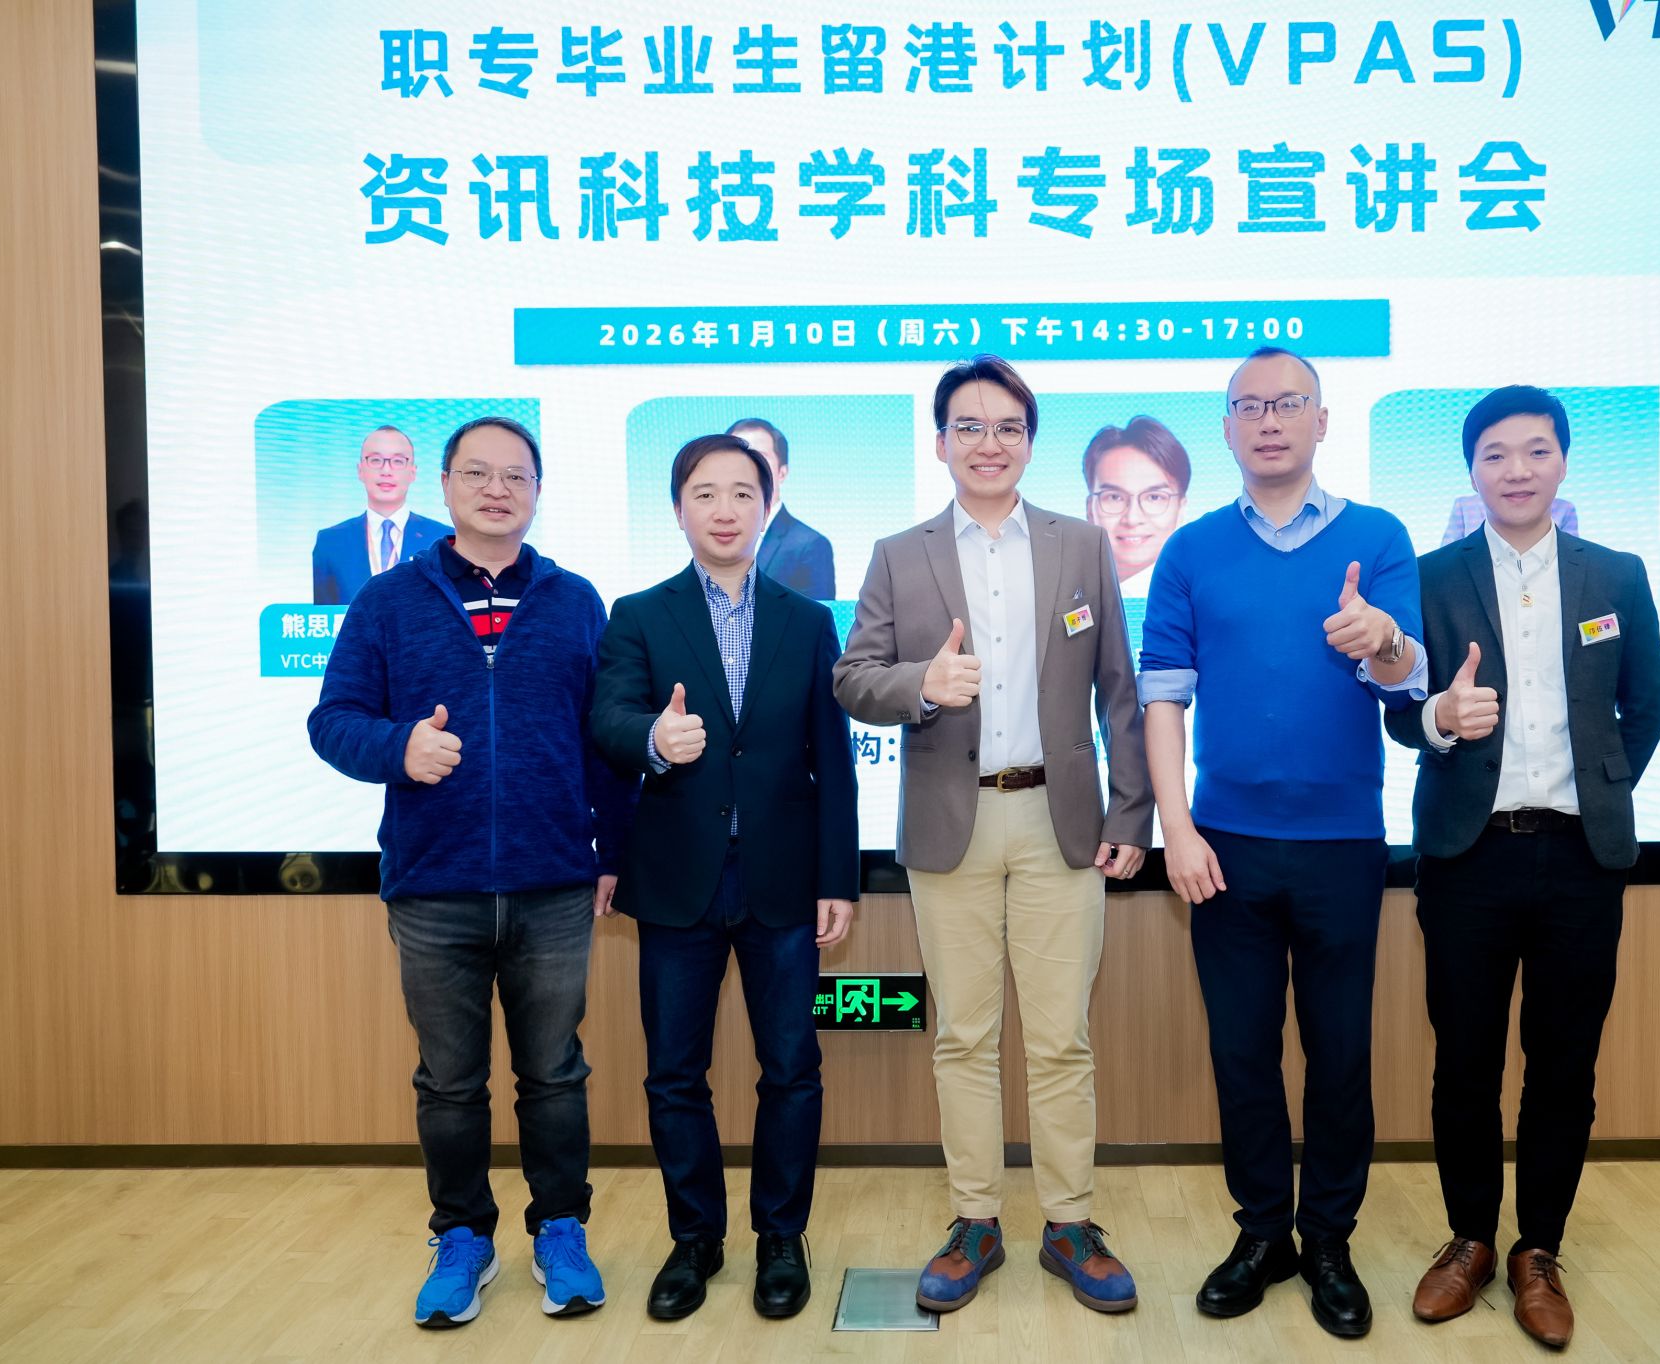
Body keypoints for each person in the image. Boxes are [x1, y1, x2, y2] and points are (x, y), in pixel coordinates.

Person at [834, 355, 1152, 1316]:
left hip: (1060, 822)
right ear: (941, 443)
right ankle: (975, 1219)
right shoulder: (900, 553)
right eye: (969, 427)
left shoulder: (1080, 545)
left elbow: (1120, 688)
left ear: (1029, 442)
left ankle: (1069, 1223)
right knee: (964, 1035)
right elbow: (853, 678)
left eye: (1008, 427)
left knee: (1061, 1038)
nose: (989, 443)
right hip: (951, 821)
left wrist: (1130, 810)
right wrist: (921, 686)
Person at [1138, 347, 1428, 1338]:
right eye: (1249, 406)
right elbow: (1162, 700)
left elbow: (1408, 676)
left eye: (1288, 403)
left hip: (1343, 843)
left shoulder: (1377, 537)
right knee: (1242, 1052)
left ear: (1320, 419)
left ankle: (1329, 1240)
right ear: (1226, 427)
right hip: (1223, 845)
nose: (1268, 421)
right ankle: (1263, 1233)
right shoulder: (1189, 551)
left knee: (1339, 1054)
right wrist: (1174, 828)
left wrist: (1381, 638)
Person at [308, 415, 621, 1328]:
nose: (496, 490)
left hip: (553, 884)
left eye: (515, 476)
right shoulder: (387, 601)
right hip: (433, 885)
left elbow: (604, 742)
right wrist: (399, 747)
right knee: (449, 1082)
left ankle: (561, 1230)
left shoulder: (574, 600)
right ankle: (461, 1238)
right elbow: (333, 721)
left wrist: (614, 852)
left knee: (554, 1073)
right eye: (477, 474)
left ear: (536, 493)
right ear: (443, 486)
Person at [1387, 386, 1660, 1350]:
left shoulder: (1617, 575)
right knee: (1464, 1061)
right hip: (1469, 856)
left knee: (1564, 1063)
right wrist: (1438, 719)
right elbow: (1399, 712)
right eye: (1496, 454)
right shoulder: (1431, 578)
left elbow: (1646, 706)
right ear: (1471, 470)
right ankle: (1469, 1239)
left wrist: (1602, 789)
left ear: (1563, 461)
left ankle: (1538, 1249)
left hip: (1583, 859)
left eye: (1536, 451)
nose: (1517, 470)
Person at [591, 433, 859, 1322]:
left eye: (743, 492)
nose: (725, 509)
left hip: (783, 879)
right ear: (678, 509)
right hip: (678, 880)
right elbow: (608, 719)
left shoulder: (808, 620)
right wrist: (652, 738)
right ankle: (694, 1239)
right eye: (704, 493)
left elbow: (833, 760)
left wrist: (839, 877)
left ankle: (782, 1236)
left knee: (792, 1069)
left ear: (767, 506)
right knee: (675, 1074)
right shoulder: (639, 614)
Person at [311, 424, 449, 604]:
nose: (386, 471)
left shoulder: (443, 539)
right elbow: (323, 614)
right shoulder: (330, 541)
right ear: (360, 470)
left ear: (413, 472)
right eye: (376, 460)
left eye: (398, 461)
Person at [728, 417, 837, 600]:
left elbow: (817, 617)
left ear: (782, 472)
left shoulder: (810, 545)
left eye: (759, 457)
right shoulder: (710, 538)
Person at [1081, 415, 1191, 595]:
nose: (1132, 519)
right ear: (1090, 509)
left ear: (1181, 508)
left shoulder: (1202, 591)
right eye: (1115, 497)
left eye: (1154, 497)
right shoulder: (1064, 586)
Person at [1442, 489, 1578, 545]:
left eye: (1538, 453)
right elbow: (1446, 557)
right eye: (1495, 457)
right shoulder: (1465, 506)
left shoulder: (1564, 509)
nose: (1518, 473)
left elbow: (1573, 561)